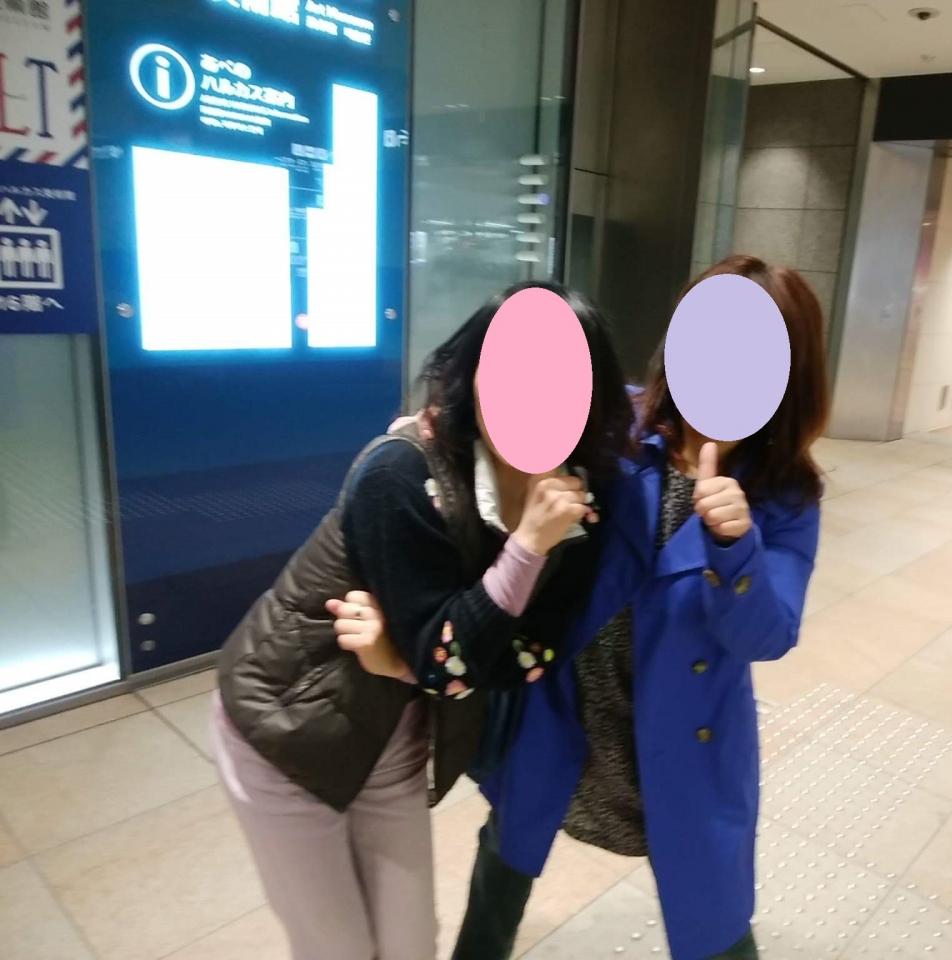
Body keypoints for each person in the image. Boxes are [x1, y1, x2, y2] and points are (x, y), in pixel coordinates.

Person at [335, 255, 830, 960]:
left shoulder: (784, 497)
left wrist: (736, 546)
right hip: (563, 706)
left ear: (789, 374)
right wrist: (433, 433)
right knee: (507, 855)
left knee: (711, 908)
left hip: (681, 737)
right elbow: (503, 401)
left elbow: (769, 634)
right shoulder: (621, 425)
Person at [209, 280, 634, 960]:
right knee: (338, 949)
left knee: (410, 944)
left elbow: (529, 656)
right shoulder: (403, 473)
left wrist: (408, 661)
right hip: (289, 725)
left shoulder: (583, 505)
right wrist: (526, 550)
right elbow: (451, 661)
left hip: (395, 736)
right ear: (476, 374)